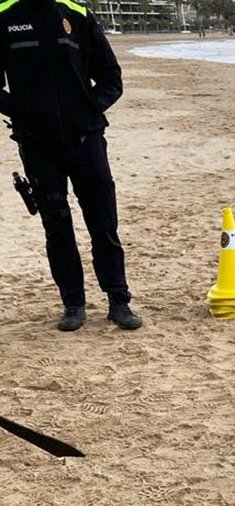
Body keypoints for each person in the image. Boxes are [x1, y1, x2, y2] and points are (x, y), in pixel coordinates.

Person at [0, 0, 142, 331]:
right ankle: (73, 304)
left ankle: (118, 301)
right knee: (57, 228)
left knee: (103, 224)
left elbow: (111, 77)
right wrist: (18, 111)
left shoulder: (76, 15)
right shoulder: (5, 17)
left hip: (86, 141)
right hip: (37, 145)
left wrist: (90, 108)